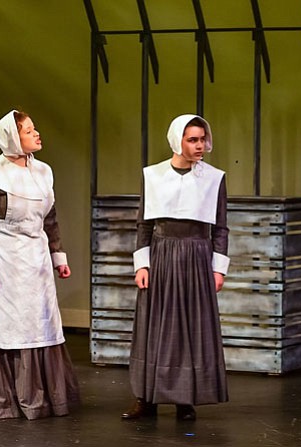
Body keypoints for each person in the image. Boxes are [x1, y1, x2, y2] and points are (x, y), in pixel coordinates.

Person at [0, 110, 80, 420]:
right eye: (29, 131)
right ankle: (2, 400)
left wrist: (58, 256)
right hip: (4, 260)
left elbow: (49, 218)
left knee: (42, 323)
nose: (36, 134)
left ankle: (46, 396)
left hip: (36, 261)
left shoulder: (43, 172)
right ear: (13, 138)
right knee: (10, 326)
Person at [121, 114, 230, 421]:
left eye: (201, 139)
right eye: (192, 140)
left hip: (196, 256)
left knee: (190, 329)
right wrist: (142, 265)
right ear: (177, 141)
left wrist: (217, 268)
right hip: (162, 255)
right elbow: (144, 223)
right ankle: (146, 399)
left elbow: (221, 228)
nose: (200, 146)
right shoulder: (153, 176)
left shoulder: (214, 178)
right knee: (153, 328)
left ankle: (185, 400)